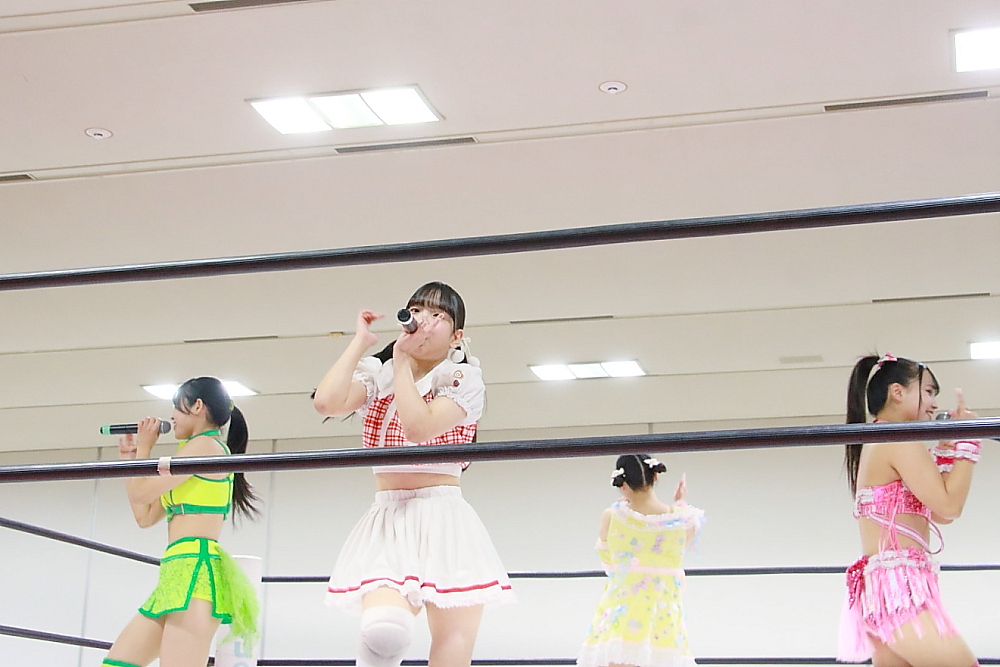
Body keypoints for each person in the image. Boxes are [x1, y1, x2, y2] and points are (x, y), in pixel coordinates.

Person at [313, 281, 513, 667]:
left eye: (438, 315)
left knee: (453, 644)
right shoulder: (381, 372)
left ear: (456, 336)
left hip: (444, 514)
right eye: (417, 310)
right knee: (384, 631)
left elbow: (420, 428)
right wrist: (361, 342)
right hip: (389, 512)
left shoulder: (462, 378)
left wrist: (402, 362)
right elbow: (327, 402)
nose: (424, 320)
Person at [102, 376, 261, 667]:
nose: (172, 416)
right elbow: (144, 515)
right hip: (176, 573)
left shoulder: (206, 447)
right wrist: (130, 456)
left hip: (196, 573)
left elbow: (140, 493)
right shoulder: (191, 451)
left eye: (177, 407)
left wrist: (144, 450)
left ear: (198, 406)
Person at [838, 353, 981, 666]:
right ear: (897, 392)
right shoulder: (897, 438)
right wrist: (968, 443)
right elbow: (950, 506)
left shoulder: (883, 438)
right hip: (899, 591)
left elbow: (940, 513)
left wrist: (948, 454)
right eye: (928, 391)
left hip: (890, 590)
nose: (933, 403)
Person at [577, 454, 704, 667]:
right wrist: (680, 503)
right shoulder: (682, 519)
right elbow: (682, 546)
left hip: (622, 609)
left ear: (622, 484)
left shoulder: (612, 516)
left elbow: (608, 562)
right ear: (656, 476)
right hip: (663, 613)